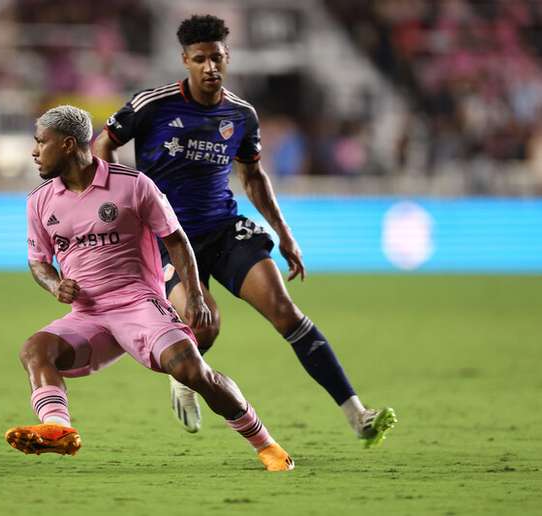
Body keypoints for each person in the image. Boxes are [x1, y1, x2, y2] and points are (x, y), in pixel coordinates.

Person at [94, 15, 396, 446]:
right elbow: (102, 146)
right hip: (168, 239)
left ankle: (357, 414)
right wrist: (120, 198)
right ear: (185, 60)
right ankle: (185, 374)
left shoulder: (240, 115)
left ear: (227, 56)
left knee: (286, 312)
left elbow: (253, 177)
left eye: (216, 57)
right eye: (199, 59)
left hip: (223, 229)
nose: (209, 66)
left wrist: (285, 234)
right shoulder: (152, 105)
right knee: (206, 325)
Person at [5, 104, 295, 472]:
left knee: (192, 371)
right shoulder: (40, 201)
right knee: (36, 350)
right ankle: (59, 429)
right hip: (89, 315)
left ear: (66, 145)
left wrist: (193, 294)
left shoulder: (133, 185)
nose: (34, 151)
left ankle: (267, 445)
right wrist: (54, 284)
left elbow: (176, 240)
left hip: (139, 305)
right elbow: (38, 261)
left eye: (40, 142)